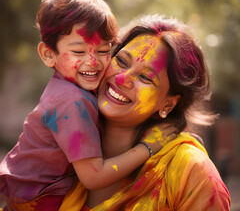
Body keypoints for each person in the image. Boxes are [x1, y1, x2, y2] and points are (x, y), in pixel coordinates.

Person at [0, 0, 168, 211]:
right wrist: (147, 147)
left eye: (103, 51)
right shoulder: (72, 102)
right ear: (49, 54)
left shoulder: (70, 87)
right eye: (79, 52)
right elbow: (93, 177)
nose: (93, 61)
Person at [59, 14, 231, 210]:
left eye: (146, 78)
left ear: (168, 104)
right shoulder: (60, 149)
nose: (123, 78)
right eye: (122, 62)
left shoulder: (191, 172)